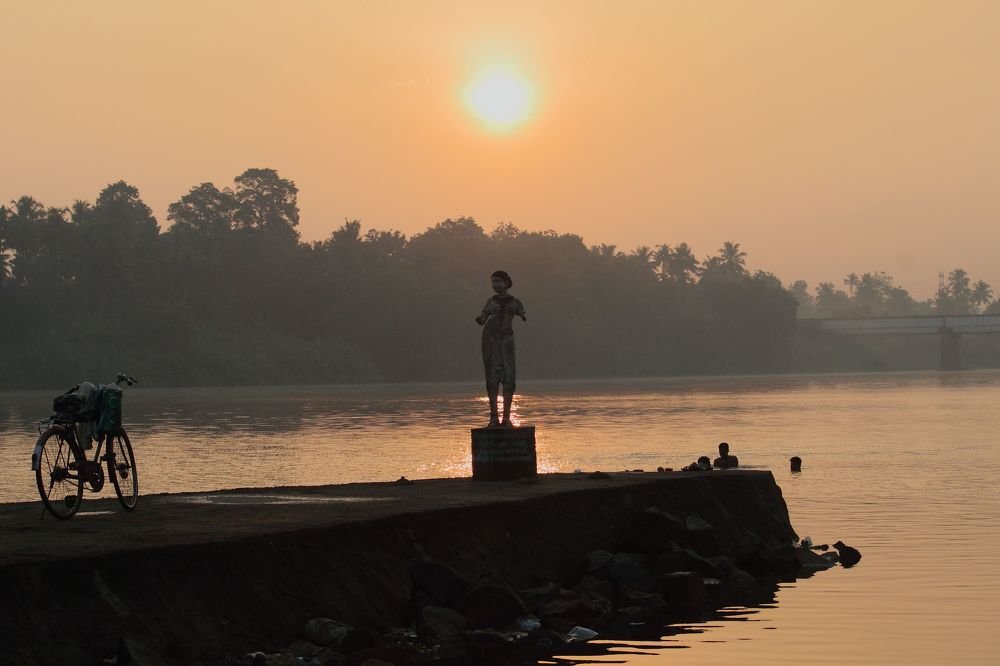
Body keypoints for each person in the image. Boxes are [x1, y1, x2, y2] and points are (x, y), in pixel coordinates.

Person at [475, 270, 526, 427]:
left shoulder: (515, 302)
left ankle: (506, 418)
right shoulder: (491, 302)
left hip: (507, 341)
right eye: (493, 282)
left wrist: (523, 316)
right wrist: (479, 319)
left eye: (498, 281)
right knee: (492, 378)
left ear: (506, 282)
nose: (495, 285)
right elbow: (483, 319)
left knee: (509, 378)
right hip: (491, 340)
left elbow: (522, 313)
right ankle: (493, 418)